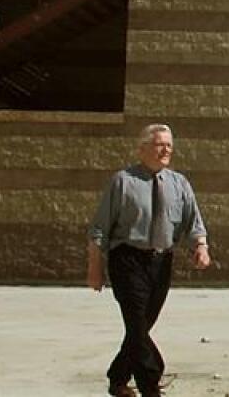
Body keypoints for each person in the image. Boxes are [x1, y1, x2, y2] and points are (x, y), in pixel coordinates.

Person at [88, 123, 211, 397]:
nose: (166, 149)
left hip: (161, 262)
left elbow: (194, 223)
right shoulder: (123, 181)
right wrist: (95, 269)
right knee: (136, 322)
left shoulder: (180, 183)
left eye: (169, 144)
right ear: (142, 149)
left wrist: (201, 248)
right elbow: (99, 229)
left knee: (140, 326)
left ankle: (118, 379)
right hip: (127, 259)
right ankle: (150, 383)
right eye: (159, 144)